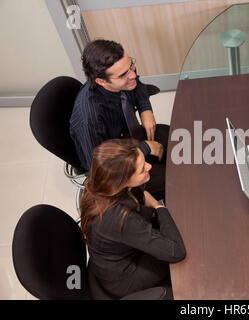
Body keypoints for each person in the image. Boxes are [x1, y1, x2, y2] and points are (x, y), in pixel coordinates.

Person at [80, 139, 186, 299]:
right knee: (187, 245)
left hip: (110, 260)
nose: (149, 167)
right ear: (122, 180)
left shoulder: (99, 185)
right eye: (142, 169)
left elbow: (140, 208)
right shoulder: (119, 218)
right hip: (124, 278)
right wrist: (158, 207)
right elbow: (177, 252)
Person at [70, 39, 168, 199]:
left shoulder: (124, 79)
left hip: (131, 136)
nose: (133, 75)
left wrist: (145, 109)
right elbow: (101, 170)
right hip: (119, 163)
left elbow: (139, 85)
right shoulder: (90, 120)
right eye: (123, 74)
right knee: (174, 179)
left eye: (131, 65)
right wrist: (145, 148)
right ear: (101, 81)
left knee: (182, 139)